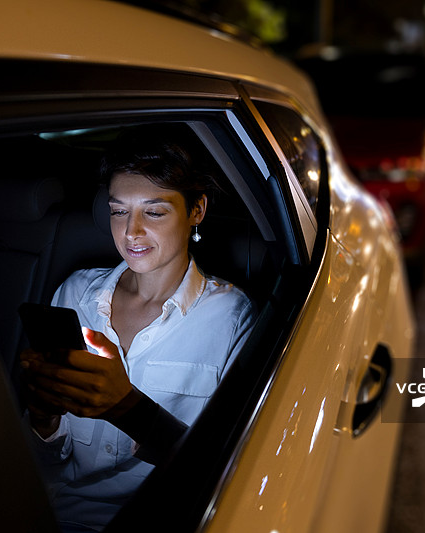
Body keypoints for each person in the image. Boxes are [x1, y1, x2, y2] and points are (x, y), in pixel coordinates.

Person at [20, 124, 256, 532]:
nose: (131, 232)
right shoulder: (75, 293)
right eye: (118, 211)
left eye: (154, 211)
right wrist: (44, 417)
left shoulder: (231, 318)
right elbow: (41, 463)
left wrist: (125, 406)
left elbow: (226, 473)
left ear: (196, 211)